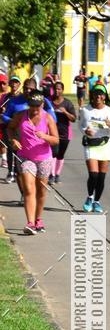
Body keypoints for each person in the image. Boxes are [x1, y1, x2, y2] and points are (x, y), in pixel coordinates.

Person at [6, 89, 59, 234]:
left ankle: (38, 219)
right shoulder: (20, 116)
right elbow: (10, 128)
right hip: (25, 157)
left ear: (42, 104)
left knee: (41, 191)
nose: (34, 108)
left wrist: (45, 136)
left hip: (44, 159)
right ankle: (30, 223)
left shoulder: (47, 118)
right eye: (32, 105)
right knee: (29, 189)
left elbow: (56, 140)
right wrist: (13, 139)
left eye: (37, 105)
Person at [3, 78, 56, 197]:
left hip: (38, 144)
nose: (27, 90)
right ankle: (25, 194)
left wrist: (48, 110)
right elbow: (5, 117)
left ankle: (32, 194)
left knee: (37, 176)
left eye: (30, 88)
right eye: (26, 88)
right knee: (19, 172)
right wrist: (16, 121)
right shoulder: (14, 101)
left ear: (35, 89)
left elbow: (53, 119)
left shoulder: (44, 101)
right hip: (18, 140)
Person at [79, 84, 110, 213]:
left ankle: (97, 202)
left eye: (101, 94)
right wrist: (86, 132)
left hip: (105, 145)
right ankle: (90, 197)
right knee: (93, 175)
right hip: (91, 145)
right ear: (92, 95)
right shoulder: (85, 110)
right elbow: (81, 126)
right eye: (96, 93)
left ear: (105, 97)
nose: (98, 96)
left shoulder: (109, 111)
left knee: (101, 176)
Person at [50, 81, 76, 184]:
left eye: (59, 89)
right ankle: (51, 175)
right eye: (55, 88)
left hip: (65, 133)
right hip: (52, 133)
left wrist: (65, 112)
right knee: (53, 153)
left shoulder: (67, 103)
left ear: (62, 90)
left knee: (60, 155)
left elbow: (74, 118)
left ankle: (57, 175)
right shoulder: (49, 102)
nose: (57, 91)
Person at [0, 73, 9, 170]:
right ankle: (4, 158)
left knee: (5, 141)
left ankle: (6, 159)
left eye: (4, 83)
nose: (2, 85)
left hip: (7, 122)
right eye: (0, 83)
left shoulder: (9, 96)